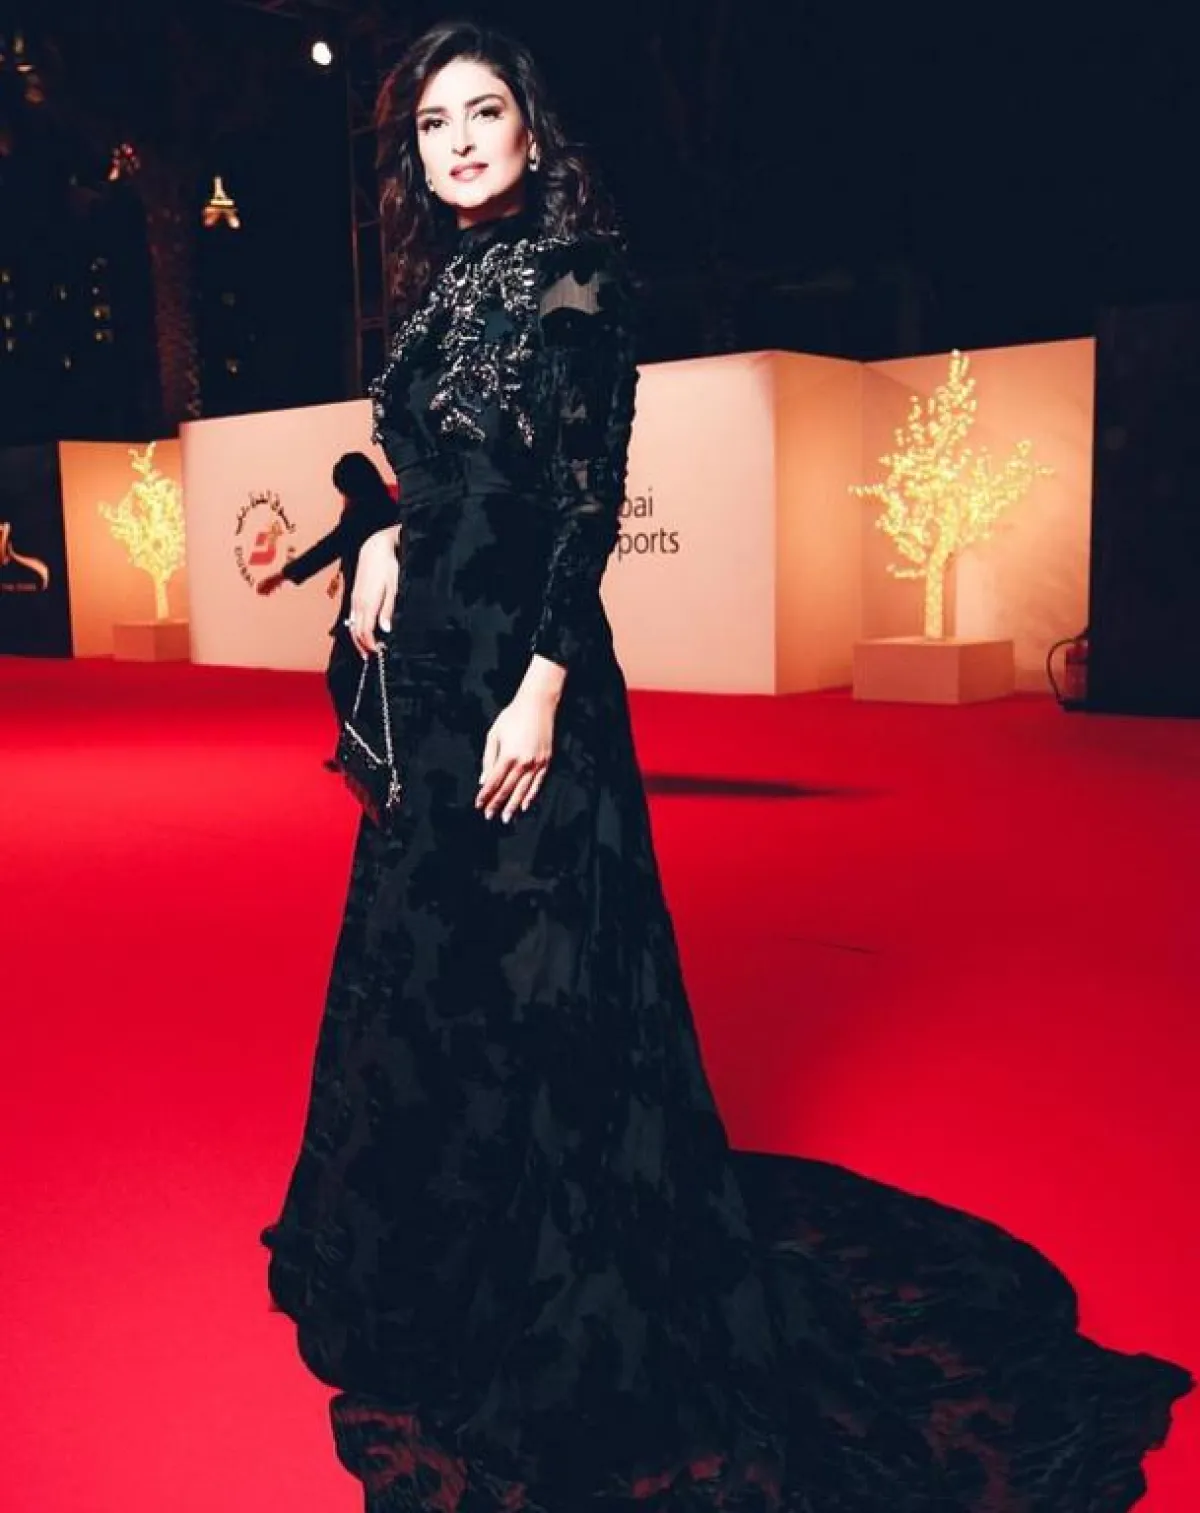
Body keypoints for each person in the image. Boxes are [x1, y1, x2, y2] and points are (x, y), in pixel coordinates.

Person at [262, 20, 1191, 1513]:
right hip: (426, 693)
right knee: (433, 981)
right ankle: (438, 1267)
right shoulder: (433, 294)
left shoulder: (576, 276)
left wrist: (543, 691)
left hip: (524, 686)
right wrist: (376, 533)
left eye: (484, 112)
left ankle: (555, 1300)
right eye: (434, 124)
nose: (460, 142)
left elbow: (584, 505)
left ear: (531, 129)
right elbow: (428, 475)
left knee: (543, 989)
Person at [258, 451, 399, 767]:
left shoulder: (360, 514)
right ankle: (366, 751)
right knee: (370, 683)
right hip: (388, 610)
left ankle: (357, 753)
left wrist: (281, 575)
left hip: (362, 612)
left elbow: (327, 549)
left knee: (342, 678)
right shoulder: (389, 509)